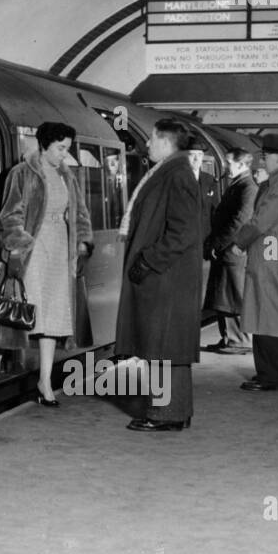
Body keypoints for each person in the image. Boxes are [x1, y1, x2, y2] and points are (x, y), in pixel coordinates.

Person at [113, 118, 203, 432]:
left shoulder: (176, 174)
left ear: (165, 142)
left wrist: (149, 261)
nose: (147, 144)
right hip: (167, 277)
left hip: (165, 277)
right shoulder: (173, 170)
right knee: (164, 346)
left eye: (151, 139)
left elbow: (183, 232)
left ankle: (165, 415)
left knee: (162, 345)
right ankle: (174, 410)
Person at [0, 121, 94, 407]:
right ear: (44, 145)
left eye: (67, 148)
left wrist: (82, 243)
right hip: (34, 249)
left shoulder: (67, 176)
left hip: (60, 248)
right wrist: (20, 245)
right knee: (28, 310)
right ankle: (1, 361)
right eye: (60, 148)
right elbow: (10, 214)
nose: (65, 154)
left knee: (53, 317)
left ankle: (45, 380)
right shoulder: (22, 173)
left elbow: (81, 214)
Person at [230, 134, 278, 392]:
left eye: (264, 156)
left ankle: (272, 375)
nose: (262, 161)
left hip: (271, 248)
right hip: (275, 248)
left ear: (276, 157)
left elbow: (261, 220)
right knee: (271, 307)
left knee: (268, 309)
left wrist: (238, 243)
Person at [202, 148, 258, 352]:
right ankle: (229, 338)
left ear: (242, 165)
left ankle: (240, 341)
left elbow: (239, 222)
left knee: (233, 296)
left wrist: (217, 243)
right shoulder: (238, 184)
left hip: (233, 251)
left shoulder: (248, 187)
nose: (226, 167)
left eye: (230, 163)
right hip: (227, 251)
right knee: (224, 296)